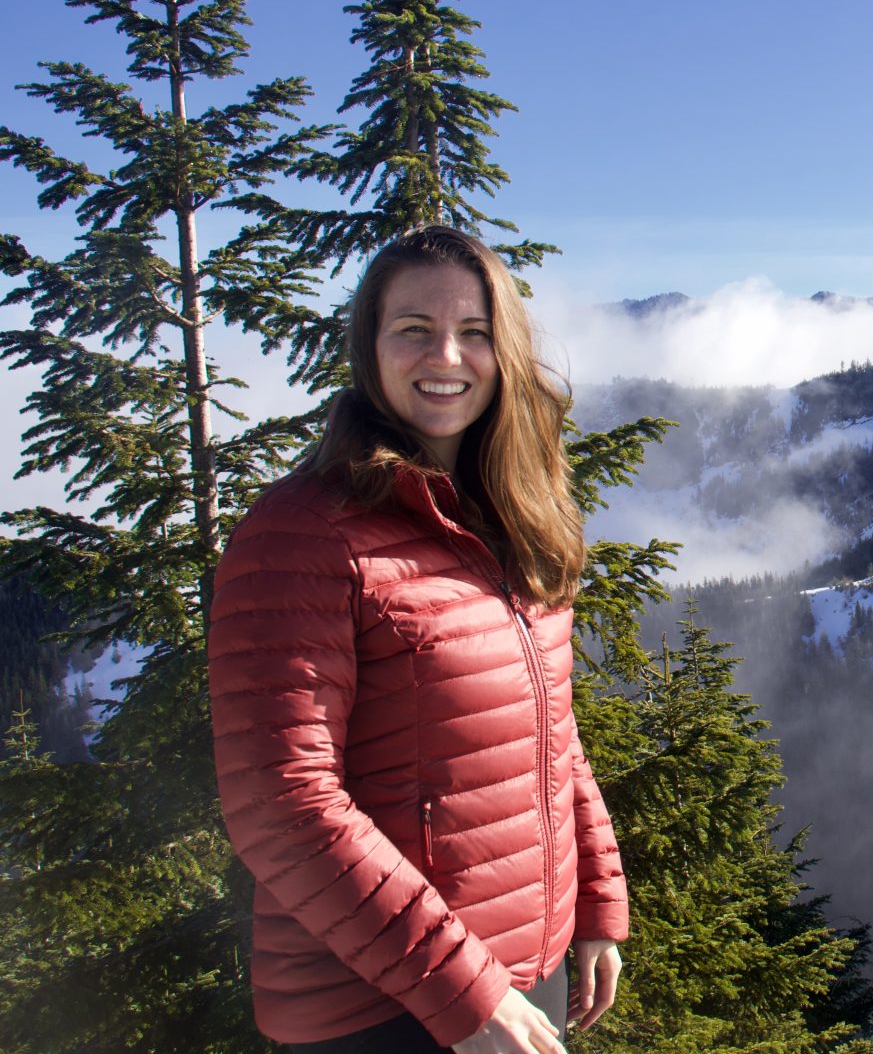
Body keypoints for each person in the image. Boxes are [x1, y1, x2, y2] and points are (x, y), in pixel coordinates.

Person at [209, 227, 626, 1053]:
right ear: (370, 347)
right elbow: (282, 806)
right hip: (383, 1007)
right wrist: (467, 995)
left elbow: (550, 734)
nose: (447, 356)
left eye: (474, 331)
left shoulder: (511, 517)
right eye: (414, 329)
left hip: (519, 975)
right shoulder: (303, 532)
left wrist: (594, 900)